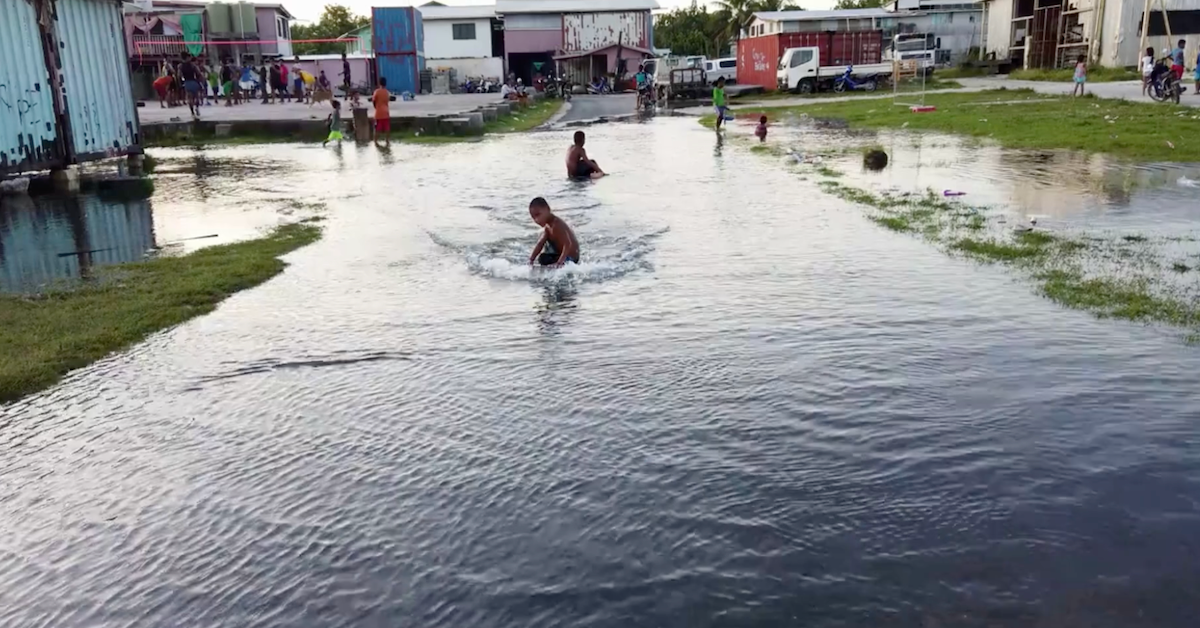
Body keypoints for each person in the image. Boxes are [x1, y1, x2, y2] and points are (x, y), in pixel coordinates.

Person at [528, 197, 580, 267]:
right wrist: (531, 259)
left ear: (548, 209)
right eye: (533, 217)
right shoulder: (548, 227)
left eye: (538, 215)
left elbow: (568, 244)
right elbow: (540, 244)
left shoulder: (557, 224)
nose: (536, 220)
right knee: (543, 258)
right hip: (560, 254)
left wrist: (559, 263)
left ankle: (561, 262)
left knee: (545, 259)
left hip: (571, 258)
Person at [372, 77, 391, 147]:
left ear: (379, 83)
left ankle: (375, 142)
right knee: (387, 128)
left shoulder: (377, 92)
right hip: (386, 112)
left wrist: (376, 107)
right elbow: (387, 101)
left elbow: (374, 101)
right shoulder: (387, 92)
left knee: (377, 129)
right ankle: (387, 142)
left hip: (379, 113)